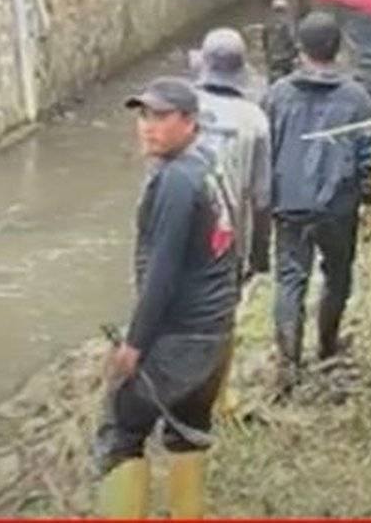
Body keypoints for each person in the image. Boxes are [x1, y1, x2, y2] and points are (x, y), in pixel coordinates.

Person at [94, 77, 239, 519]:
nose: (147, 127)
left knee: (120, 431)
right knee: (188, 431)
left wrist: (134, 346)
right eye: (143, 115)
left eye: (160, 117)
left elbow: (163, 274)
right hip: (214, 333)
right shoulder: (209, 165)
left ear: (189, 121)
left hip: (180, 338)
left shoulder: (175, 182)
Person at [263, 13, 371, 397]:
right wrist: (370, 200)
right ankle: (327, 347)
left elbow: (267, 149)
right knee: (338, 274)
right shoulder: (358, 98)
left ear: (300, 50)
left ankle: (287, 365)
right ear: (339, 48)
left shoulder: (277, 94)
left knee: (290, 279)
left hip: (289, 202)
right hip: (337, 206)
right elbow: (367, 155)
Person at [191, 27, 272, 417]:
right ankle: (217, 398)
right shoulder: (254, 120)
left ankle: (169, 392)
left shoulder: (179, 107)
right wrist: (259, 256)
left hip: (180, 227)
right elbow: (261, 196)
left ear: (204, 66)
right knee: (223, 318)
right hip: (228, 237)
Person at [262, 0, 297, 84]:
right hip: (286, 60)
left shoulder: (268, 24)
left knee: (272, 84)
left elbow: (265, 42)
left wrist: (267, 56)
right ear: (286, 10)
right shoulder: (289, 24)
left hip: (273, 60)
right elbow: (292, 41)